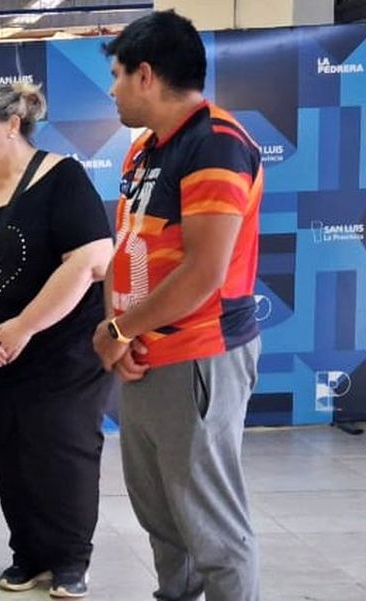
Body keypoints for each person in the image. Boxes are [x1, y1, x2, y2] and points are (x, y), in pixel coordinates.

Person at [92, 11, 263, 601]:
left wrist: (118, 330)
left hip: (198, 354)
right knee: (162, 517)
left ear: (145, 75)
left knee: (211, 526)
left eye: (116, 75)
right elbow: (127, 246)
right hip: (143, 354)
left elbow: (204, 272)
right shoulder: (143, 151)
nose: (112, 90)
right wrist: (120, 333)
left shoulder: (216, 143)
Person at [0, 83, 115, 598]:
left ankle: (70, 561)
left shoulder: (64, 178)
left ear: (13, 124)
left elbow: (90, 261)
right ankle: (28, 555)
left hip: (63, 353)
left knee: (62, 452)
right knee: (8, 455)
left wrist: (25, 326)